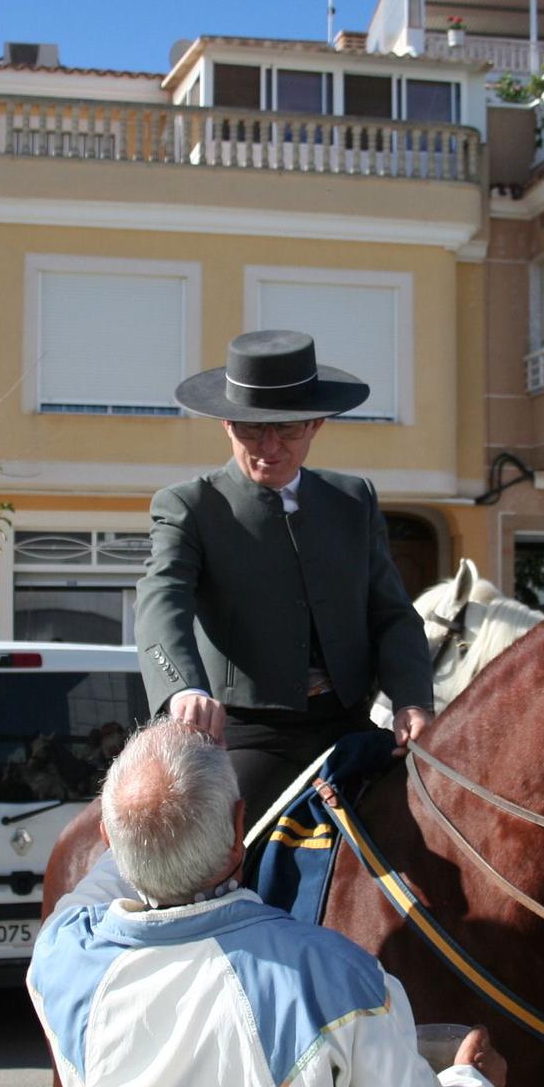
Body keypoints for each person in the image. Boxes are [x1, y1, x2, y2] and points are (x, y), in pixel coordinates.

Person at [29, 719, 503, 1087]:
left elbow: (88, 893)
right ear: (239, 829)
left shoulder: (61, 960)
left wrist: (143, 829)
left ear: (109, 840)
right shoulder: (340, 981)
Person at [134, 330, 435, 818]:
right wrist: (184, 689)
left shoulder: (353, 500)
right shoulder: (191, 505)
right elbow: (161, 599)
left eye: (288, 429)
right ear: (227, 425)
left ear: (316, 424)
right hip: (250, 737)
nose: (269, 447)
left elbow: (392, 614)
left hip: (349, 726)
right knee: (217, 851)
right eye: (252, 430)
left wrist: (412, 701)